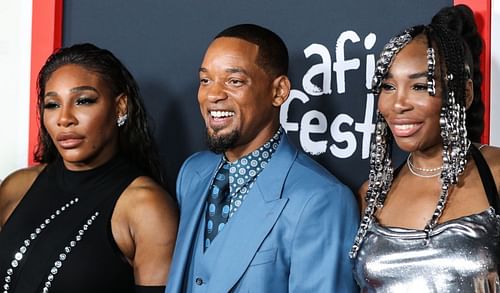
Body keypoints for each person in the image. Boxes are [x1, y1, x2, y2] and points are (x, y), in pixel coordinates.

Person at [166, 24, 359, 292]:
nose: (213, 95)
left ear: (278, 91)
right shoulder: (192, 173)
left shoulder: (322, 200)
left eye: (234, 81)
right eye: (205, 80)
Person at [0, 43, 178, 293]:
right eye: (52, 104)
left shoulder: (146, 208)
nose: (65, 118)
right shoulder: (16, 187)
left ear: (120, 107)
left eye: (83, 101)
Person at [351, 4, 500, 292]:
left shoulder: (495, 173)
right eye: (388, 86)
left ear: (464, 94)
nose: (398, 104)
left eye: (420, 87)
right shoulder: (370, 194)